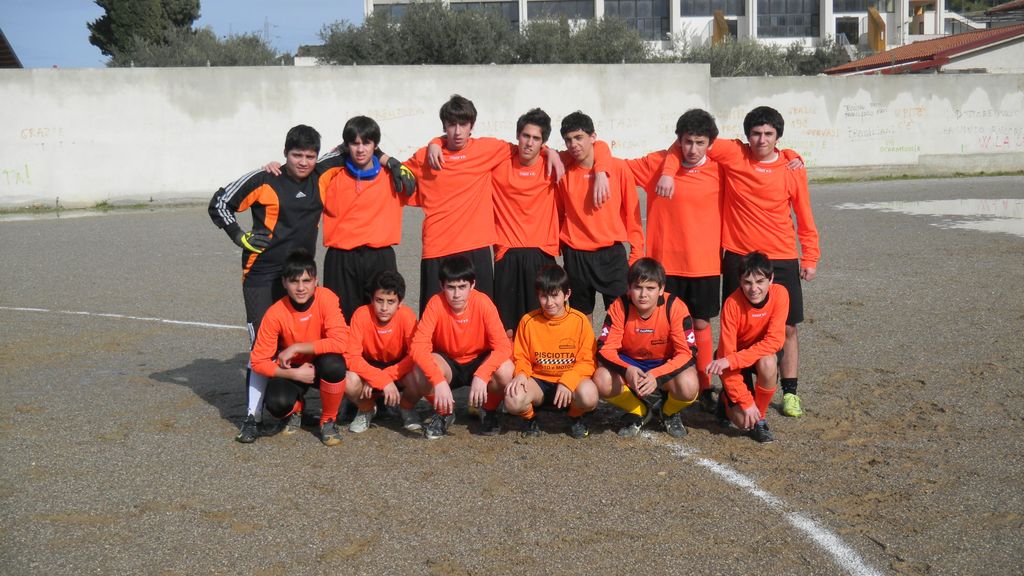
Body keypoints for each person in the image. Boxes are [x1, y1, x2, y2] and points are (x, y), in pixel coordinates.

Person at [660, 106, 819, 418]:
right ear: (747, 136)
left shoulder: (791, 168)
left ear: (778, 137)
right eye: (756, 134)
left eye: (769, 134)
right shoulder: (734, 153)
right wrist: (667, 172)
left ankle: (790, 392)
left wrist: (810, 255)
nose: (762, 140)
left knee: (788, 328)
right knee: (736, 326)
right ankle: (736, 391)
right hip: (739, 255)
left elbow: (804, 214)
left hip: (782, 255)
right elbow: (688, 138)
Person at [208, 125, 344, 443]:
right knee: (260, 346)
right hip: (262, 275)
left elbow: (355, 143)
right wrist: (238, 236)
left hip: (300, 278)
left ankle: (296, 403)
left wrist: (391, 161)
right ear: (285, 154)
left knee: (305, 338)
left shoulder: (323, 172)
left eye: (309, 156)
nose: (303, 162)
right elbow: (219, 203)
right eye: (296, 155)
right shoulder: (265, 179)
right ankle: (252, 418)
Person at [619, 109, 723, 412]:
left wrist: (790, 156)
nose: (693, 149)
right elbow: (617, 167)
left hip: (704, 263)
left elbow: (755, 158)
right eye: (687, 142)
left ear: (710, 143)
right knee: (664, 325)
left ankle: (704, 386)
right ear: (678, 141)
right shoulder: (657, 164)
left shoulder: (721, 168)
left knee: (700, 323)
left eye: (700, 143)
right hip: (664, 264)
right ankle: (662, 383)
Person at [402, 95, 515, 313]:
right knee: (435, 316)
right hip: (437, 246)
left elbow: (527, 148)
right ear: (444, 126)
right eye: (451, 124)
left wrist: (550, 153)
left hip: (476, 246)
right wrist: (435, 143)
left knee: (481, 314)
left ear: (472, 126)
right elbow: (398, 178)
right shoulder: (425, 156)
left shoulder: (488, 149)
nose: (457, 131)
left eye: (463, 124)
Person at [249, 249, 349, 446]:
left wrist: (297, 348)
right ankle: (297, 408)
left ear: (316, 281)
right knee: (276, 404)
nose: (301, 287)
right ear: (284, 283)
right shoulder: (275, 313)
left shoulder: (327, 298)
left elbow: (340, 341)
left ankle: (328, 420)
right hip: (293, 368)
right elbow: (258, 362)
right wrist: (294, 374)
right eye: (294, 281)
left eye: (306, 281)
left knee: (335, 364)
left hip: (321, 363)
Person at [407, 255, 514, 439]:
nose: (457, 294)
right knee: (419, 372)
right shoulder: (435, 303)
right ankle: (445, 412)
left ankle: (488, 409)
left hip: (479, 359)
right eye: (451, 287)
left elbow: (503, 347)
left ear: (472, 285)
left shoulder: (483, 302)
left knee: (506, 370)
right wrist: (438, 381)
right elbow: (417, 347)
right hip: (449, 361)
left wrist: (482, 374)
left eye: (462, 287)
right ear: (442, 286)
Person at [593, 258, 700, 438]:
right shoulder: (620, 306)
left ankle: (668, 411)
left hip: (663, 363)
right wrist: (626, 369)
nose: (643, 294)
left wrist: (657, 375)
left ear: (661, 289)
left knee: (689, 384)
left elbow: (687, 353)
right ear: (629, 288)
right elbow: (605, 349)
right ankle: (639, 410)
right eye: (638, 287)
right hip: (631, 363)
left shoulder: (675, 306)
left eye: (650, 288)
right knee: (601, 379)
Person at [556, 111, 644, 322]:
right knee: (581, 317)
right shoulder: (563, 172)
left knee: (621, 316)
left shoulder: (618, 169)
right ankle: (586, 346)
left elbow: (632, 215)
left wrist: (636, 254)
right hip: (576, 255)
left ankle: (611, 346)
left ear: (593, 137)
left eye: (579, 137)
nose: (573, 144)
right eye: (568, 140)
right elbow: (559, 212)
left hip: (611, 255)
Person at [504, 264, 598, 439]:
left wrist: (568, 381)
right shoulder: (528, 321)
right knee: (512, 399)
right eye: (544, 296)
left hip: (570, 383)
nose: (549, 303)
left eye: (555, 296)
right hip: (539, 382)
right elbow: (521, 357)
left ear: (567, 294)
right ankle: (530, 418)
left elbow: (588, 361)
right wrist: (521, 374)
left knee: (590, 395)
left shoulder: (580, 321)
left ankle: (575, 416)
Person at [706, 252, 788, 443]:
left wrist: (731, 360)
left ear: (771, 279)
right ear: (740, 281)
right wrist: (745, 402)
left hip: (748, 357)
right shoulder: (732, 304)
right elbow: (726, 355)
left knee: (768, 361)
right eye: (747, 282)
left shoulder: (781, 294)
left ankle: (760, 420)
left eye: (760, 282)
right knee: (743, 422)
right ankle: (725, 400)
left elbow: (775, 341)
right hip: (733, 361)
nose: (754, 289)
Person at [343, 270, 425, 433]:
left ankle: (406, 407)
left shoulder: (407, 316)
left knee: (421, 372)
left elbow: (414, 355)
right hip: (369, 365)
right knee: (347, 380)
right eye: (379, 300)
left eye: (391, 301)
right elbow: (351, 357)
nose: (384, 308)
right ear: (372, 299)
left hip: (398, 367)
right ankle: (366, 409)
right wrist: (376, 377)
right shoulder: (361, 314)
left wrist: (385, 377)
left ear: (400, 302)